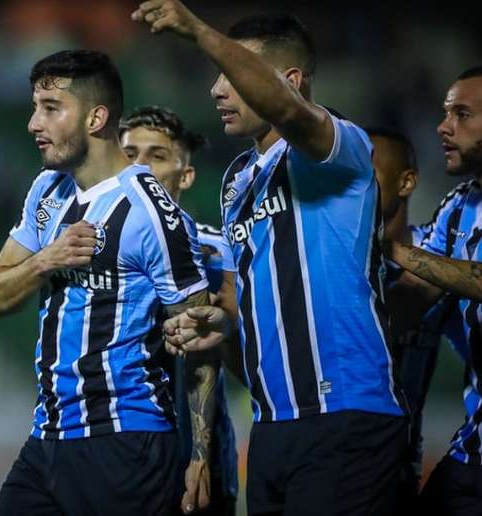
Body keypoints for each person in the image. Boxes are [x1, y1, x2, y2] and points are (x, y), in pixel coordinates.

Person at [132, 3, 408, 515]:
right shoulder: (239, 179)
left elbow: (290, 114)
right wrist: (221, 322)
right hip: (273, 426)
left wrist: (196, 29)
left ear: (291, 79)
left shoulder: (336, 146)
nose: (217, 89)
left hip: (344, 414)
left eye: (234, 73)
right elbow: (252, 295)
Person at [0, 49, 218, 516]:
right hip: (47, 437)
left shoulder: (153, 214)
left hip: (125, 442)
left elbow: (198, 338)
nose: (34, 123)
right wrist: (45, 260)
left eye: (50, 108)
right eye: (35, 108)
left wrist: (200, 456)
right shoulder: (47, 189)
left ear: (96, 117)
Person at [119, 105, 239, 516]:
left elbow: (240, 355)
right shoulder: (87, 245)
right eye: (129, 154)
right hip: (113, 451)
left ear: (185, 175)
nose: (138, 168)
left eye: (155, 156)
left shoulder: (219, 251)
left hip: (195, 453)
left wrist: (200, 455)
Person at [383, 66, 482, 516]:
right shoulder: (459, 206)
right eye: (445, 113)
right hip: (474, 451)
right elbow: (411, 298)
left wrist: (394, 249)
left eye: (462, 114)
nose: (444, 127)